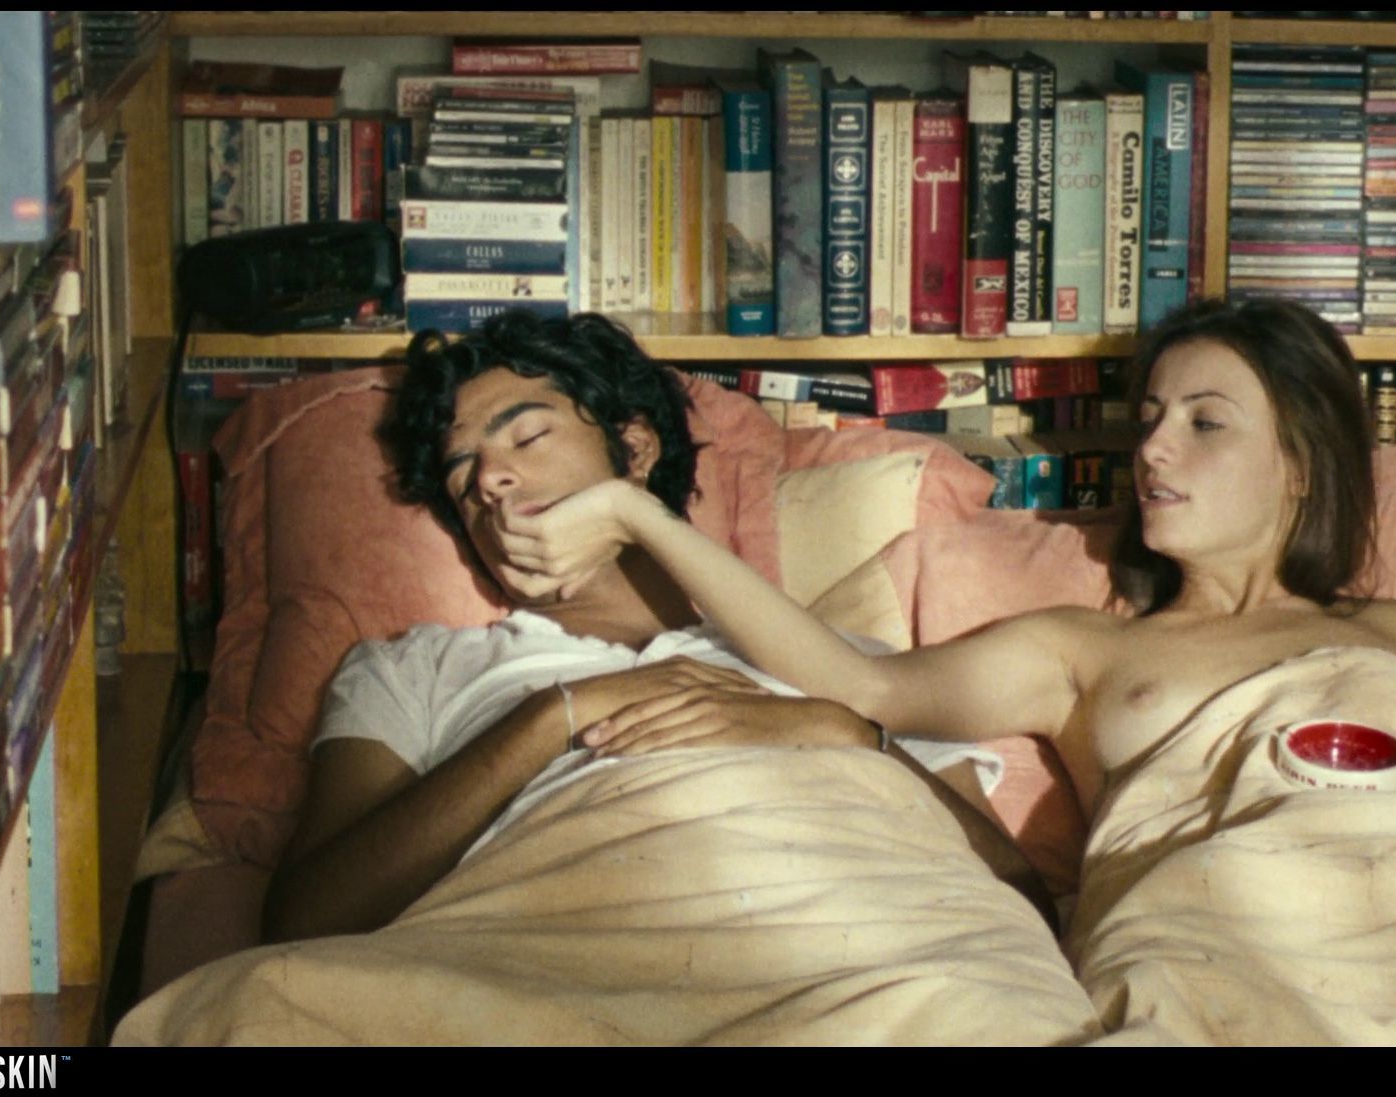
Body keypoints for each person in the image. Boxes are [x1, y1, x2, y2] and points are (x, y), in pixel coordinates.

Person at [496, 299, 1396, 1044]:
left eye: (1204, 422)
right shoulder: (1081, 648)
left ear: (1298, 463)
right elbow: (850, 680)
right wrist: (635, 513)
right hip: (1240, 937)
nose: (1154, 447)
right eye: (1148, 418)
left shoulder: (1395, 632)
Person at [260, 309, 1053, 945]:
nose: (491, 479)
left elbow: (1024, 904)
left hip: (851, 949)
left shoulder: (835, 666)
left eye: (527, 436)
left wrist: (850, 734)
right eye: (462, 474)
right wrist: (552, 717)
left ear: (634, 447)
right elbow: (304, 926)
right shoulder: (413, 669)